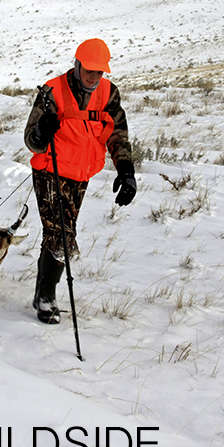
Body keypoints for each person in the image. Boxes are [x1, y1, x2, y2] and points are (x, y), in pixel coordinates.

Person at [24, 38, 136, 324]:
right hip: (51, 170)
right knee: (61, 236)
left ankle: (41, 293)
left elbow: (117, 134)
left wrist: (126, 171)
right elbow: (31, 141)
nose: (94, 76)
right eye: (89, 69)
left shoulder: (109, 94)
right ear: (77, 64)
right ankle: (47, 300)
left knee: (59, 232)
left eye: (100, 72)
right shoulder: (53, 91)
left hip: (81, 175)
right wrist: (41, 131)